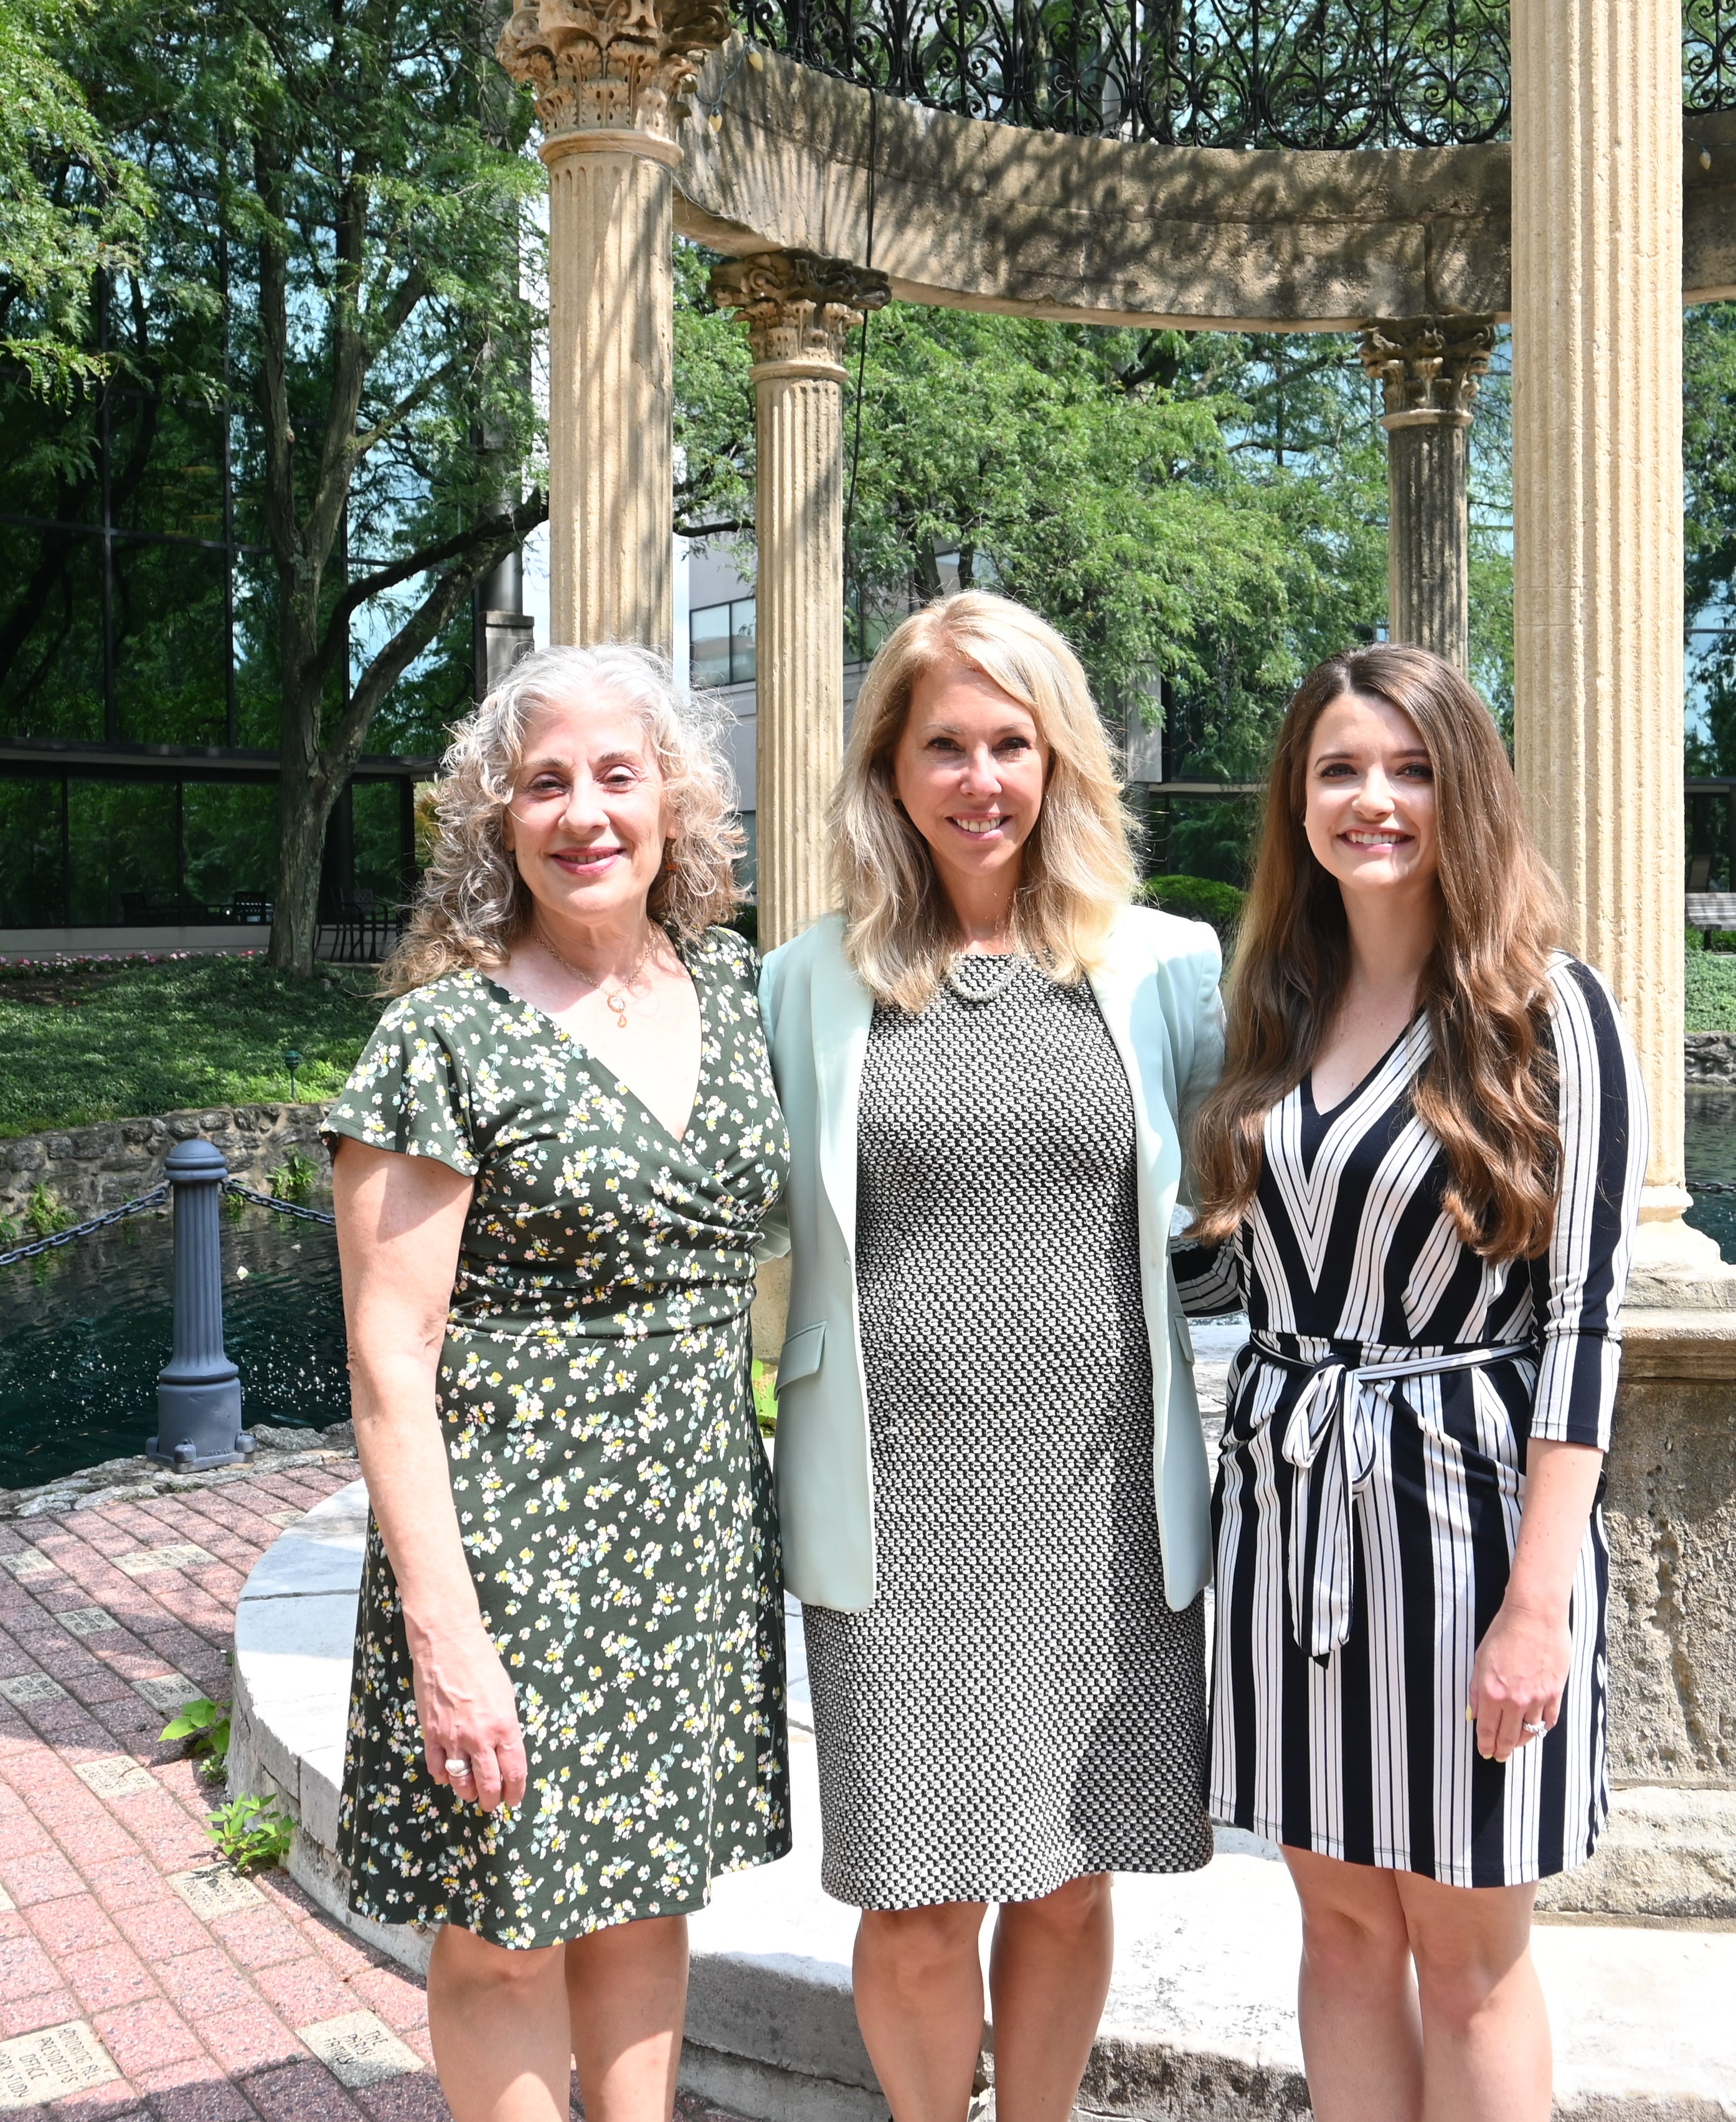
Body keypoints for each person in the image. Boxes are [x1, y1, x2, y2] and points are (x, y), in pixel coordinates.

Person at [759, 590, 1225, 2122]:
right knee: (911, 1894)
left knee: (1072, 1875)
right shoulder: (801, 982)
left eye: (1011, 744)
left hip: (1101, 1495)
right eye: (944, 746)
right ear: (889, 768)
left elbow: (1242, 1202)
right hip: (892, 1496)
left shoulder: (1167, 966)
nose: (980, 779)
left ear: (1060, 759)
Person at [1175, 644, 1645, 2122]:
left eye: (1410, 768)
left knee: (1469, 1951)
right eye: (1338, 769)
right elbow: (1232, 1271)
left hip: (1464, 1518)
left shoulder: (1546, 1011)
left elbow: (1585, 1318)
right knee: (1339, 1926)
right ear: (1296, 800)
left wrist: (1536, 1603)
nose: (1371, 798)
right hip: (1284, 1505)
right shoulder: (1277, 1003)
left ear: (1465, 791)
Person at [326, 643, 791, 2122]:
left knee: (648, 1889)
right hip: (511, 1542)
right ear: (496, 820)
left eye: (615, 774)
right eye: (543, 783)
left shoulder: (738, 988)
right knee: (506, 1923)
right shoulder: (441, 1035)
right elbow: (389, 1361)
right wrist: (443, 1629)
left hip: (691, 1530)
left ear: (675, 802)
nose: (584, 812)